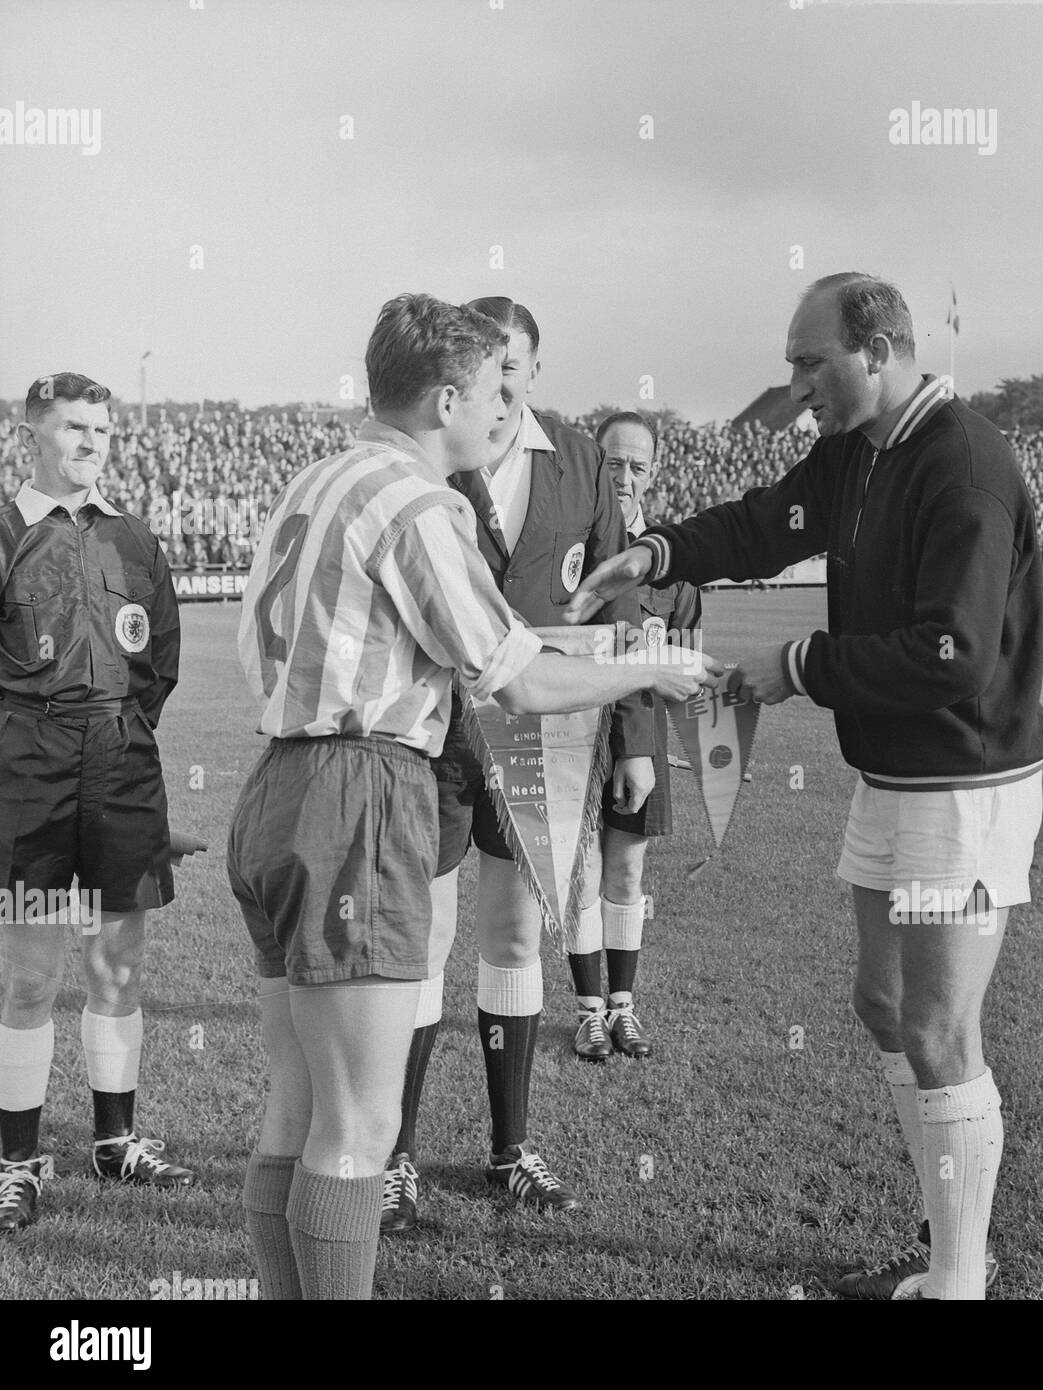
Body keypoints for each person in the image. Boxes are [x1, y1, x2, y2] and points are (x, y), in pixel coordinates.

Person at [568, 273, 1043, 1300]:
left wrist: (798, 666)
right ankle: (942, 1240)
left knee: (934, 1025)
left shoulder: (960, 464)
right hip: (893, 775)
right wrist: (656, 552)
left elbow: (954, 654)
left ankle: (959, 1279)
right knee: (881, 1004)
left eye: (809, 362)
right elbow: (761, 524)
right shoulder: (856, 452)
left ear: (876, 351)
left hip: (961, 784)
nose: (795, 386)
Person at [228, 294, 714, 1299]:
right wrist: (646, 670)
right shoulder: (415, 503)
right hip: (361, 790)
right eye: (495, 390)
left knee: (297, 1096)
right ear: (445, 395)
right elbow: (518, 676)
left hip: (275, 783)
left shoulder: (316, 479)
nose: (506, 412)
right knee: (356, 1123)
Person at [380, 298, 657, 1231]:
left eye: (514, 368)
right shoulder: (432, 454)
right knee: (425, 936)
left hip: (546, 730)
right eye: (484, 368)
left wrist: (640, 742)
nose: (499, 386)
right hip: (436, 730)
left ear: (535, 370)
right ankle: (396, 1155)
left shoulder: (579, 460)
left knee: (513, 935)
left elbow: (627, 604)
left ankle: (509, 1150)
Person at [0, 373, 192, 1235]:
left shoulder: (136, 541)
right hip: (28, 779)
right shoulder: (5, 532)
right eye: (74, 428)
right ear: (30, 434)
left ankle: (115, 1143)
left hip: (119, 770)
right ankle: (18, 1160)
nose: (90, 443)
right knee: (32, 975)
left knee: (119, 966)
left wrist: (124, 751)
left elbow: (158, 668)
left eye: (103, 431)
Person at [566, 411, 701, 1062]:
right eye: (611, 462)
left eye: (636, 466)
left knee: (626, 869)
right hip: (575, 735)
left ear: (654, 474)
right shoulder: (568, 554)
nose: (623, 477)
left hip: (641, 742)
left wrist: (678, 741)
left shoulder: (674, 567)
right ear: (594, 465)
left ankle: (623, 1006)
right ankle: (587, 1011)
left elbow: (682, 660)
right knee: (581, 873)